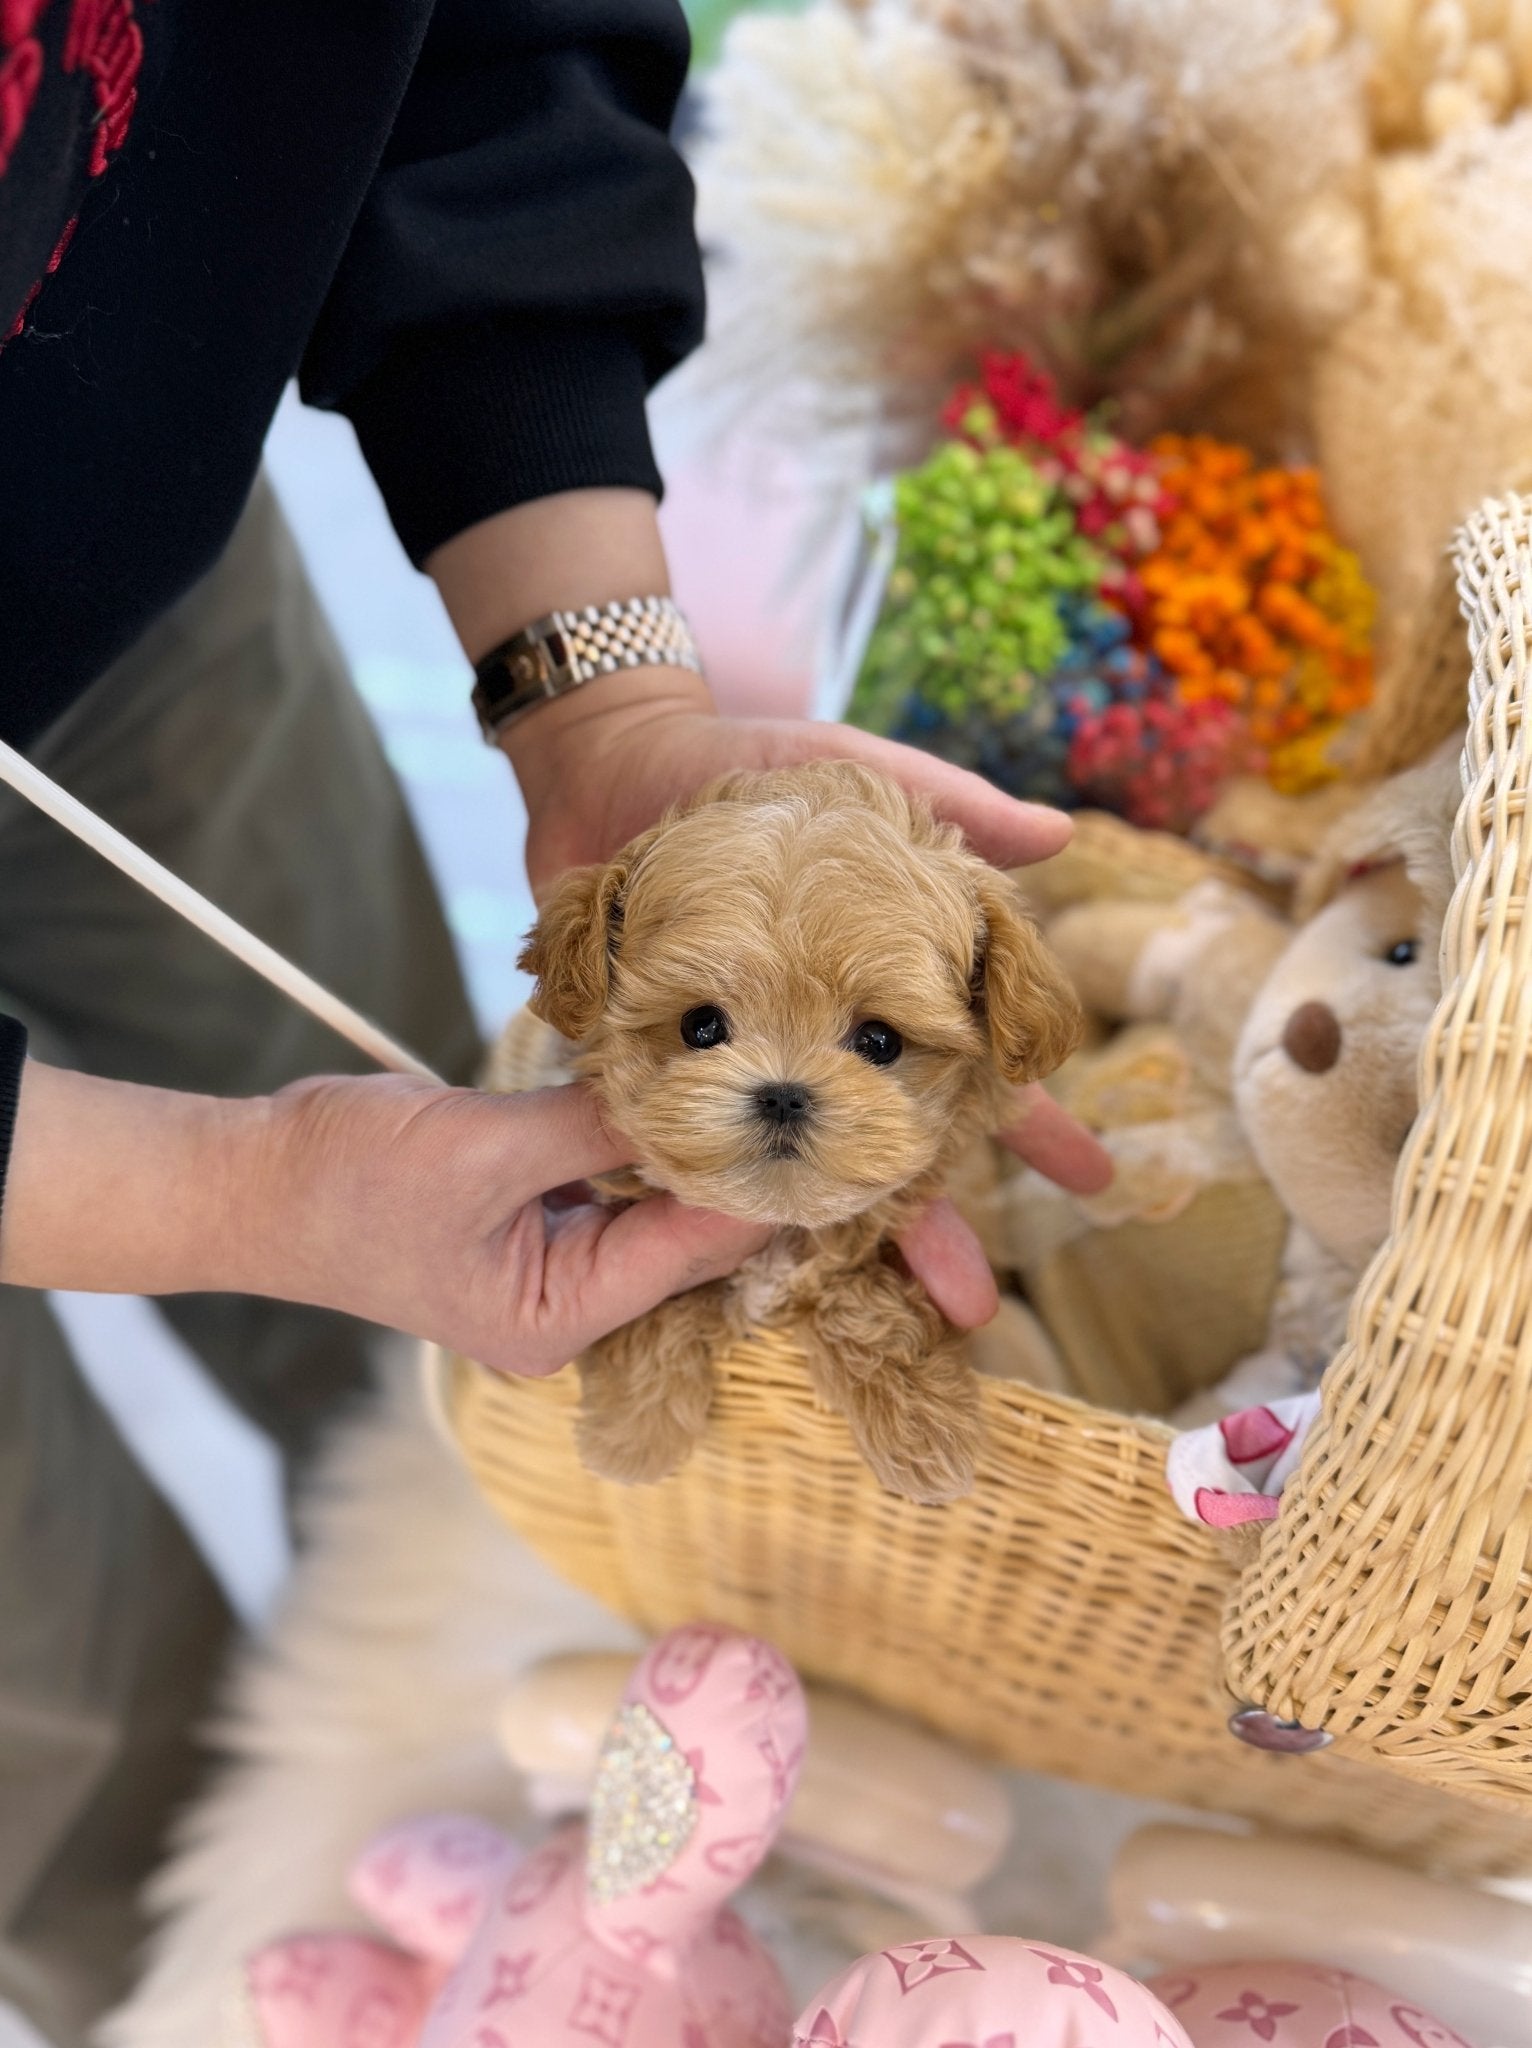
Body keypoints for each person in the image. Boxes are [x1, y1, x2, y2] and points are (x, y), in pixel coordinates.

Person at [0, 5, 1111, 2042]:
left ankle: (425, 1709)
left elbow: (487, 52)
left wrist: (601, 704)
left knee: (408, 1338)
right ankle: (182, 1969)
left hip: (101, 498)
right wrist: (245, 1193)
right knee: (40, 1681)